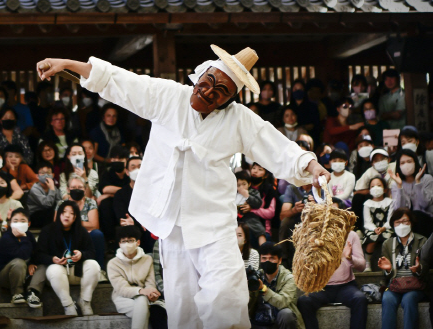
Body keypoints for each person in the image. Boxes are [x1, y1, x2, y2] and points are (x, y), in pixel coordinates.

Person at [37, 48, 329, 329]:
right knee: (183, 306)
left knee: (227, 294)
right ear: (200, 75)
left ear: (229, 99)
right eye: (207, 82)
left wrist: (311, 166)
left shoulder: (239, 119)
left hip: (214, 222)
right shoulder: (170, 96)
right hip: (173, 223)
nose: (208, 92)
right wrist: (67, 63)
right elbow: (122, 82)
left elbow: (276, 146)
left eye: (221, 91)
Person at [297, 203, 367, 329]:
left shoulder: (351, 235)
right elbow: (304, 266)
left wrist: (349, 257)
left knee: (360, 299)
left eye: (335, 212)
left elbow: (362, 267)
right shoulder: (313, 235)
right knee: (304, 301)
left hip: (346, 286)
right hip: (320, 287)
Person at [37, 201, 100, 316]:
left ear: (75, 217)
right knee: (54, 269)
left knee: (93, 265)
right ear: (59, 214)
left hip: (77, 272)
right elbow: (39, 254)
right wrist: (52, 259)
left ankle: (85, 302)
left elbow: (92, 252)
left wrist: (82, 254)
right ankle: (68, 305)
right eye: (64, 212)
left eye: (71, 213)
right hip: (57, 274)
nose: (67, 215)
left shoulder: (81, 231)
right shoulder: (48, 230)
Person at [107, 225, 167, 329]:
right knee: (143, 302)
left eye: (130, 240)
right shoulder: (113, 263)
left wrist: (152, 292)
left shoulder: (147, 259)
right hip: (123, 299)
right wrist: (142, 291)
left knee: (144, 302)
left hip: (146, 298)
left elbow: (150, 283)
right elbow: (121, 289)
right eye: (123, 241)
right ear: (119, 244)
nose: (127, 244)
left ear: (138, 242)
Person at [378, 208, 428, 329]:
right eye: (398, 222)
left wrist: (418, 268)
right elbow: (386, 275)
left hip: (415, 285)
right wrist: (388, 269)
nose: (401, 225)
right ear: (393, 225)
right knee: (387, 298)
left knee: (409, 299)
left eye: (405, 221)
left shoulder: (422, 241)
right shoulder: (388, 244)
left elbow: (426, 266)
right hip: (394, 285)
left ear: (411, 222)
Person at [56, 176, 107, 277]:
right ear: (67, 189)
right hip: (67, 234)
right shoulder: (61, 204)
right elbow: (57, 223)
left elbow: (94, 225)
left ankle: (100, 270)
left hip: (86, 236)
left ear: (85, 189)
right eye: (73, 187)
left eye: (80, 187)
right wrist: (82, 224)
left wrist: (72, 222)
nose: (77, 190)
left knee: (97, 234)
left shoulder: (90, 202)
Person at [248, 242, 304, 329]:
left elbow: (283, 302)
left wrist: (263, 289)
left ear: (279, 260)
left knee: (286, 314)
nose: (267, 261)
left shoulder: (289, 278)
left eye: (272, 258)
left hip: (277, 323)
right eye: (264, 258)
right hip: (258, 322)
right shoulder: (258, 276)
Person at [112, 156, 155, 253]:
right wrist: (139, 223)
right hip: (131, 228)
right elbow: (123, 218)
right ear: (127, 172)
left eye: (140, 167)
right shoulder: (120, 194)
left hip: (149, 227)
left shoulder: (152, 191)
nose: (137, 170)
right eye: (133, 167)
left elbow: (154, 213)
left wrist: (137, 222)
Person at [0, 208, 37, 304]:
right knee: (19, 263)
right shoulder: (6, 238)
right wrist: (23, 237)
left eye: (23, 221)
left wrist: (32, 263)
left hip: (22, 273)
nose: (19, 223)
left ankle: (33, 293)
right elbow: (23, 255)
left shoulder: (29, 235)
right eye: (15, 221)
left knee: (40, 265)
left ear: (28, 224)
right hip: (4, 276)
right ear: (10, 223)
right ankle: (17, 293)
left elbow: (36, 251)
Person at [389, 149, 433, 237]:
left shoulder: (427, 179)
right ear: (399, 166)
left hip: (426, 219)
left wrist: (418, 182)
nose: (406, 165)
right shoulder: (396, 184)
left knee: (417, 214)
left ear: (415, 162)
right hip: (406, 221)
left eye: (409, 161)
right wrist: (400, 186)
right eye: (402, 163)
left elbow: (424, 204)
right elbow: (399, 209)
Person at [279, 183, 322, 269]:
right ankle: (284, 258)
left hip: (315, 219)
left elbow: (328, 212)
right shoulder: (291, 188)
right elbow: (282, 215)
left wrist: (315, 206)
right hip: (296, 218)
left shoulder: (321, 188)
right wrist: (294, 210)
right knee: (285, 222)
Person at [362, 176, 394, 271]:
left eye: (379, 185)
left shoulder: (390, 202)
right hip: (373, 229)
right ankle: (367, 262)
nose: (376, 188)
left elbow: (391, 219)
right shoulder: (367, 204)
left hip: (387, 228)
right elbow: (367, 221)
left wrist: (384, 228)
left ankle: (389, 262)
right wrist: (374, 229)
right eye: (372, 186)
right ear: (369, 190)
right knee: (372, 238)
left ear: (384, 189)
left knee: (388, 238)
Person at [27, 161, 62, 229]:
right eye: (42, 173)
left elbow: (59, 201)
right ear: (37, 175)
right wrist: (52, 189)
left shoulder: (53, 187)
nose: (46, 175)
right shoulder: (34, 189)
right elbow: (47, 204)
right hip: (35, 215)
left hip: (49, 214)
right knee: (49, 212)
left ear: (53, 175)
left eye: (48, 172)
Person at [235, 172, 266, 248]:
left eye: (244, 184)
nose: (241, 187)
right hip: (236, 218)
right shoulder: (232, 194)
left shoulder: (253, 192)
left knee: (260, 231)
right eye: (238, 185)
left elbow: (258, 203)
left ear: (249, 184)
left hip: (250, 217)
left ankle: (263, 250)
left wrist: (247, 196)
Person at [249, 163, 276, 244]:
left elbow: (270, 212)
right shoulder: (244, 187)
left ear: (266, 175)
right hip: (245, 226)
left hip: (263, 228)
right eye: (254, 168)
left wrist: (251, 210)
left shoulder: (269, 190)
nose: (255, 171)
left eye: (260, 169)